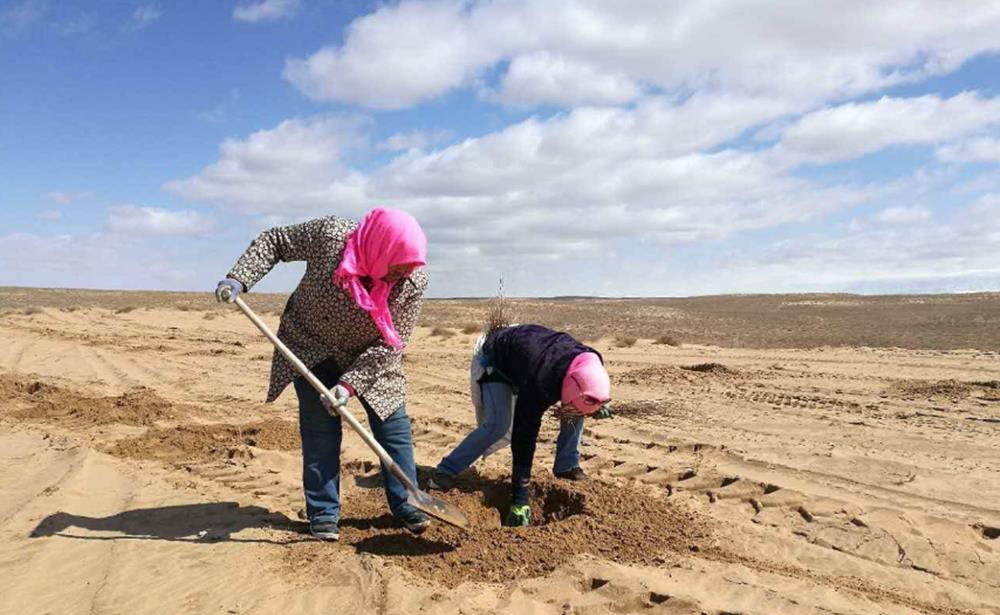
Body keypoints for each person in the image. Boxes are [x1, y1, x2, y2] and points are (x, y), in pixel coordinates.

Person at [215, 207, 430, 541]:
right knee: (320, 432)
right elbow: (276, 241)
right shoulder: (330, 238)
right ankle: (324, 513)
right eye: (396, 267)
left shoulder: (412, 280)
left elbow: (391, 346)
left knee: (393, 427)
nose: (399, 276)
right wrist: (240, 277)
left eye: (407, 268)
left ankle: (409, 503)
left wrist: (349, 385)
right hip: (310, 345)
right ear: (381, 247)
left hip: (371, 356)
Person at [428, 324, 611, 526]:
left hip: (534, 355)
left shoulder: (591, 363)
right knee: (498, 424)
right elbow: (523, 438)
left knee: (574, 410)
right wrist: (520, 498)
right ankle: (446, 470)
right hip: (498, 357)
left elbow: (588, 387)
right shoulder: (540, 382)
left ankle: (566, 466)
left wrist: (597, 403)